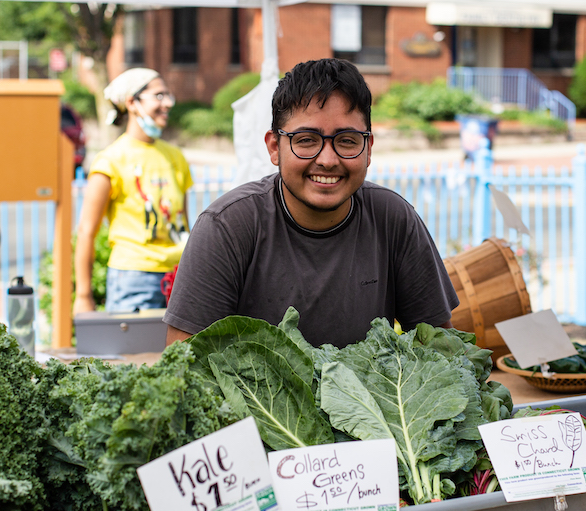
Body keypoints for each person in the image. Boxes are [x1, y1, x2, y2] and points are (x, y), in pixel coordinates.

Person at [164, 58, 458, 348]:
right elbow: (184, 368)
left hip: (368, 398)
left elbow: (439, 353)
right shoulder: (227, 227)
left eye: (347, 140)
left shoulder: (393, 218)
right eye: (306, 140)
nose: (328, 160)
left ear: (368, 149)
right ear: (274, 147)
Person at [74, 68, 193, 315]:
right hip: (133, 279)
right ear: (131, 102)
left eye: (168, 96)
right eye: (159, 96)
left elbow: (184, 223)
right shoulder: (110, 160)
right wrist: (83, 296)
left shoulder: (176, 157)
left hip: (180, 277)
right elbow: (86, 231)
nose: (168, 103)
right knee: (136, 355)